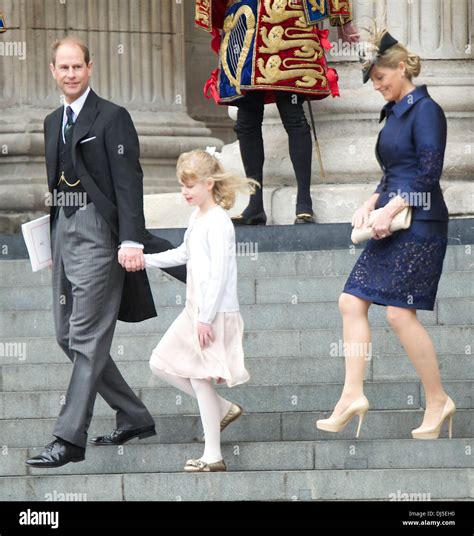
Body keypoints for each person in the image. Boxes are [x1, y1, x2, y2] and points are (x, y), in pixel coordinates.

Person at [26, 37, 186, 469]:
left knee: (88, 335)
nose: (71, 74)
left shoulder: (112, 117)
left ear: (90, 68)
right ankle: (134, 414)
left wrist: (130, 239)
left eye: (78, 66)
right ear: (53, 71)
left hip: (100, 233)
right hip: (64, 231)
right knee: (67, 335)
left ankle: (68, 437)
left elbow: (128, 181)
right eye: (64, 68)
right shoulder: (50, 121)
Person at [316, 28, 455, 440]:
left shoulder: (425, 109)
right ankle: (351, 395)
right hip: (391, 221)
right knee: (350, 301)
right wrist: (371, 200)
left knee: (398, 312)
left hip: (422, 223)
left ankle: (437, 400)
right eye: (374, 80)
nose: (377, 86)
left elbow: (428, 175)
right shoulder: (394, 112)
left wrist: (391, 207)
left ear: (400, 68)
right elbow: (393, 171)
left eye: (380, 78)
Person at [195, 0, 358, 225]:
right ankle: (255, 204)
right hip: (245, 18)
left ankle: (304, 201)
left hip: (288, 18)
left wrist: (342, 18)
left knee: (292, 114)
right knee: (246, 120)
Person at [144, 150, 254, 472]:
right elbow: (183, 253)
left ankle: (213, 455)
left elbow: (219, 274)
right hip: (196, 310)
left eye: (190, 185)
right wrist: (144, 261)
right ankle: (221, 409)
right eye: (182, 186)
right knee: (159, 363)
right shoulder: (197, 218)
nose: (185, 192)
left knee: (200, 378)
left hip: (212, 313)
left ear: (209, 183)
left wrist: (205, 318)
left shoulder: (219, 221)